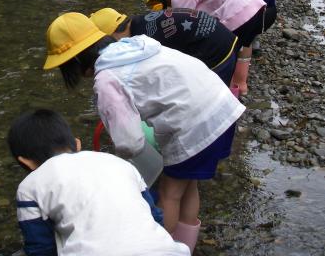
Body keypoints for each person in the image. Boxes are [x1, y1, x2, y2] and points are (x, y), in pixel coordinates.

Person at [44, 13, 246, 254]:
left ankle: (163, 250)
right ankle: (186, 247)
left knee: (169, 194)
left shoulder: (107, 78)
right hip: (221, 105)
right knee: (188, 184)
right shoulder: (138, 44)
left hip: (195, 125)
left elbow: (130, 143)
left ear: (76, 60)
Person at [8, 108, 189, 256]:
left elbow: (41, 247)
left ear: (26, 161)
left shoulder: (30, 186)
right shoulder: (119, 163)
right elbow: (155, 217)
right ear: (77, 145)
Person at [145, 0, 277, 95]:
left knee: (223, 52)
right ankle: (239, 86)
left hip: (237, 11)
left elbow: (182, 30)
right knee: (240, 47)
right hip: (254, 6)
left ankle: (222, 94)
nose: (165, 5)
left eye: (160, 0)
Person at [90, 7, 238, 87]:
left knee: (210, 91)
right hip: (223, 36)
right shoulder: (141, 22)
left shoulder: (145, 39)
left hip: (216, 49)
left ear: (113, 34)